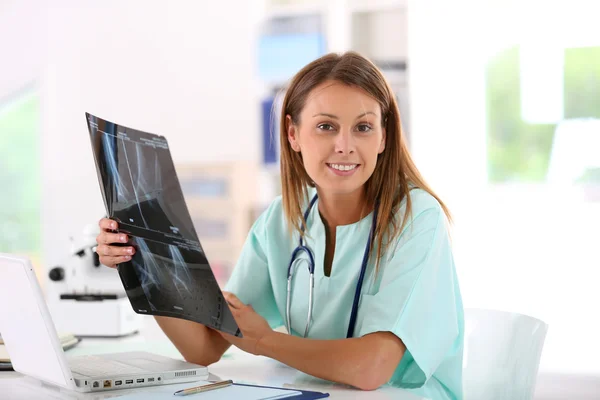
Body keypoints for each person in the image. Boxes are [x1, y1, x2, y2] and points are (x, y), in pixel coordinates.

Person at [95, 51, 464, 400]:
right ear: (292, 134)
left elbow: (373, 368)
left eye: (363, 127)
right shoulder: (282, 220)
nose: (345, 146)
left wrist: (263, 342)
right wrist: (139, 261)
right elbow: (204, 347)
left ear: (383, 136)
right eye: (325, 126)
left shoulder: (417, 219)